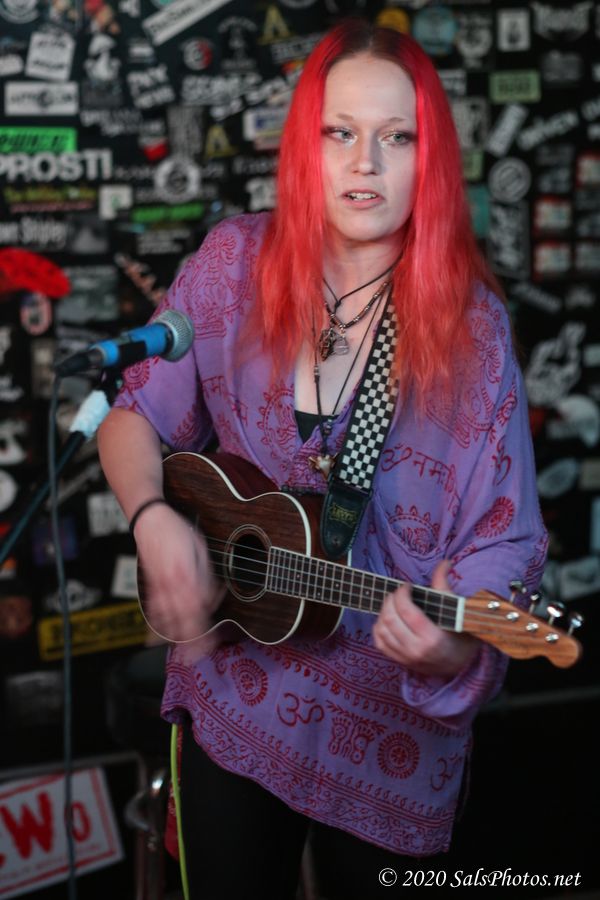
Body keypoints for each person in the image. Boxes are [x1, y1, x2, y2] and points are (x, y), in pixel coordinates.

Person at [97, 19, 547, 900]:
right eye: (340, 132)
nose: (364, 163)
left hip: (388, 738)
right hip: (235, 692)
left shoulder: (474, 330)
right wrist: (152, 521)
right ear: (305, 146)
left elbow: (507, 539)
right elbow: (133, 416)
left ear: (431, 159)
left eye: (397, 137)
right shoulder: (234, 263)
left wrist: (454, 644)